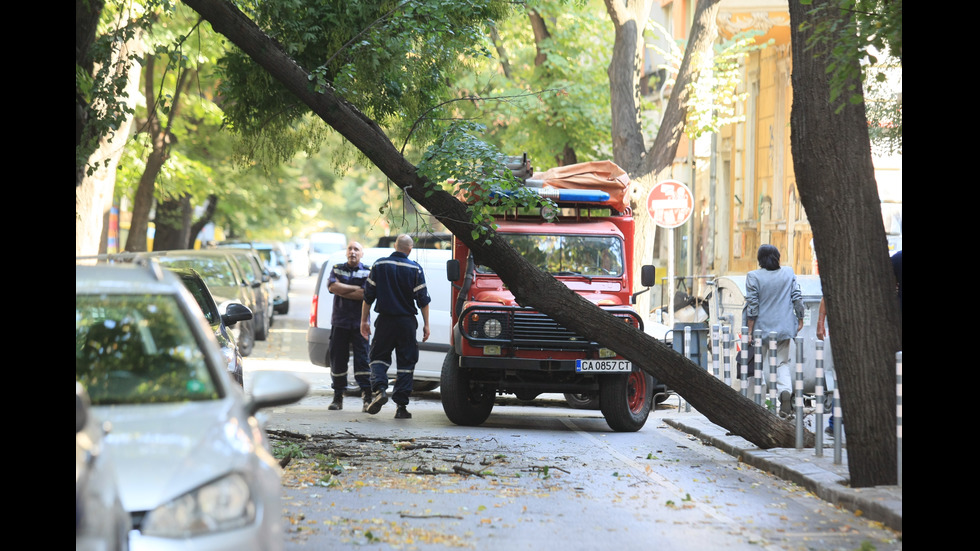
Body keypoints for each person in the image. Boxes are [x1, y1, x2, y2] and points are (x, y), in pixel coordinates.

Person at [360, 234, 431, 419]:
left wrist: (364, 321)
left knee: (377, 358)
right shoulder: (415, 268)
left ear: (395, 246)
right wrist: (426, 325)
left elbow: (368, 296)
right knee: (406, 363)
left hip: (385, 321)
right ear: (410, 249)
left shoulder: (379, 265)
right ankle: (401, 407)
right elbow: (423, 300)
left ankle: (380, 389)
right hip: (407, 322)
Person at [745, 244, 805, 417]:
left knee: (758, 365)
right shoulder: (788, 273)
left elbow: (753, 307)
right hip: (784, 328)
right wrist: (799, 320)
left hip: (761, 329)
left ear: (760, 259)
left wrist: (749, 331)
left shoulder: (753, 276)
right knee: (781, 363)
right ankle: (785, 391)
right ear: (777, 257)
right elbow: (797, 298)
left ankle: (761, 403)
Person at [326, 241, 373, 411]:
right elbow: (332, 287)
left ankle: (367, 397)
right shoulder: (337, 268)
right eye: (350, 249)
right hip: (340, 322)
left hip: (361, 323)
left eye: (356, 249)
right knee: (338, 360)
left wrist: (343, 289)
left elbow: (366, 294)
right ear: (346, 252)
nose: (352, 252)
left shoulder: (368, 271)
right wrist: (355, 289)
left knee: (363, 361)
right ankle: (337, 397)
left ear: (362, 253)